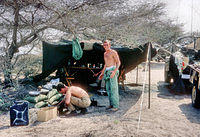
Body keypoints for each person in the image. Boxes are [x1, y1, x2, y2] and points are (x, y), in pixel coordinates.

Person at [99, 40, 121, 112]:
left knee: (113, 89)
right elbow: (105, 64)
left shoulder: (113, 52)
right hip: (107, 71)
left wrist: (114, 72)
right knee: (108, 89)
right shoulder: (105, 53)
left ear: (110, 45)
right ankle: (111, 104)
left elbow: (118, 62)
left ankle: (116, 106)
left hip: (112, 70)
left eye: (107, 45)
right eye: (104, 45)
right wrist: (102, 73)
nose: (105, 46)